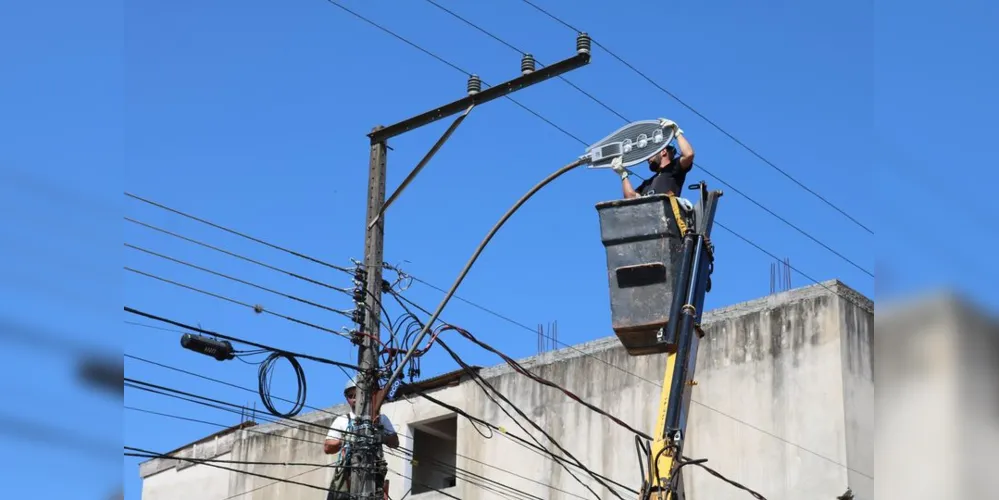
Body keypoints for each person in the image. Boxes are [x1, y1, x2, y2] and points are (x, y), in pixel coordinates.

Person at [324, 378, 400, 500]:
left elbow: (395, 442)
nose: (354, 399)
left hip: (373, 471)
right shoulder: (343, 420)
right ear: (347, 399)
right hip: (349, 473)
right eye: (351, 396)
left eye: (358, 395)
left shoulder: (380, 419)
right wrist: (345, 439)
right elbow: (328, 447)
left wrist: (381, 437)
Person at [611, 119, 695, 203]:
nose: (648, 158)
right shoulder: (647, 183)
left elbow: (688, 154)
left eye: (652, 152)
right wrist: (623, 174)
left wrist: (677, 133)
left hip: (667, 214)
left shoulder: (674, 169)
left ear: (663, 152)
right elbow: (630, 198)